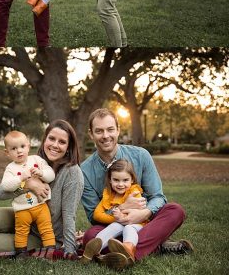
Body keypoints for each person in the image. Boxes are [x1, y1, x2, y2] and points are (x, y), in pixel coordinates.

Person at [81, 108, 191, 270]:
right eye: (99, 131)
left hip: (145, 222)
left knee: (175, 210)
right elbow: (94, 217)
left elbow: (158, 197)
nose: (105, 136)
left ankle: (119, 254)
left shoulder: (141, 155)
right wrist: (122, 209)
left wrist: (142, 213)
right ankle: (154, 246)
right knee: (90, 237)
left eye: (110, 129)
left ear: (118, 129)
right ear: (91, 134)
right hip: (112, 224)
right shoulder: (84, 171)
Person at [0, 120, 84, 257]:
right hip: (24, 215)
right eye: (51, 138)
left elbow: (69, 216)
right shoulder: (34, 161)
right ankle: (5, 238)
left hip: (45, 236)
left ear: (69, 146)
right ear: (44, 140)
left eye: (62, 142)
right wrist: (27, 186)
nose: (55, 145)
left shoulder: (72, 173)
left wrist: (69, 251)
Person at [0, 131, 56, 255]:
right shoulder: (11, 168)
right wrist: (20, 179)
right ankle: (21, 252)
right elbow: (5, 186)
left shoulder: (36, 160)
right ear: (7, 153)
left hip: (41, 205)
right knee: (21, 231)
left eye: (22, 147)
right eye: (14, 148)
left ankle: (50, 250)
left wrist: (41, 173)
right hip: (22, 209)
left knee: (46, 228)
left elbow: (51, 175)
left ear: (28, 146)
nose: (19, 151)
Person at [81, 159, 147, 264]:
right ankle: (94, 249)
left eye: (125, 180)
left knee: (128, 228)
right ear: (110, 180)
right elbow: (97, 215)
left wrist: (120, 216)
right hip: (120, 222)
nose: (121, 184)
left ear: (132, 180)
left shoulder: (134, 192)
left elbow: (136, 212)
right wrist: (116, 218)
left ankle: (128, 249)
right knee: (114, 226)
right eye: (116, 180)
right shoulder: (108, 194)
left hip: (136, 224)